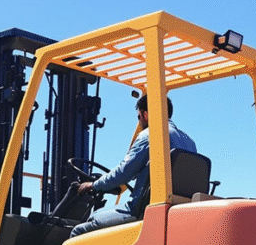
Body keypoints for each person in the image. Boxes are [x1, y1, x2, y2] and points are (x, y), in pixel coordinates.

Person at [70, 94, 196, 237]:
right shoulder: (189, 142)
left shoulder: (150, 135)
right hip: (175, 209)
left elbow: (123, 173)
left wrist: (93, 185)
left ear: (146, 114)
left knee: (81, 229)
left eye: (139, 117)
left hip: (143, 210)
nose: (140, 121)